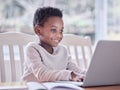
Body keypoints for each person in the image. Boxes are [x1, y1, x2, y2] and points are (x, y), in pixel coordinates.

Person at [22, 6, 86, 83]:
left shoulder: (63, 50)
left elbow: (76, 71)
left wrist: (92, 74)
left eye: (61, 31)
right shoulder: (32, 49)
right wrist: (70, 75)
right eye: (53, 30)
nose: (59, 35)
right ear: (38, 30)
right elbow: (42, 74)